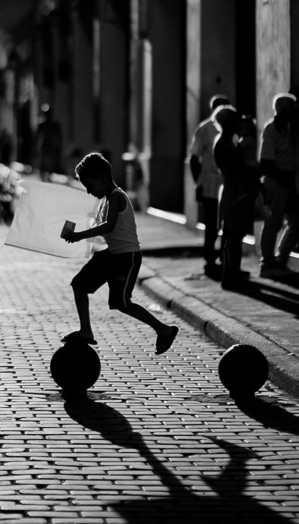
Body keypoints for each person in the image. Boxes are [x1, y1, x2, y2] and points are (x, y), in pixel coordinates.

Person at [61, 152, 179, 353]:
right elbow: (99, 225)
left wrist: (79, 235)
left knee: (122, 303)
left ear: (103, 179)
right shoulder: (106, 199)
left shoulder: (116, 196)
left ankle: (164, 330)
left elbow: (109, 226)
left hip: (127, 258)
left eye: (89, 186)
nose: (89, 192)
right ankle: (86, 331)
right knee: (79, 285)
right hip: (112, 255)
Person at [258, 93, 299, 280]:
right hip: (276, 182)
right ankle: (268, 264)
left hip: (286, 182)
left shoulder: (284, 128)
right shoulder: (271, 130)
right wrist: (284, 177)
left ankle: (280, 261)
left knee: (298, 221)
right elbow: (266, 163)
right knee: (272, 223)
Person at [188, 94, 230, 279]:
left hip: (226, 182)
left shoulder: (231, 128)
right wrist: (199, 181)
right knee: (212, 223)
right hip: (210, 183)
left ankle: (225, 258)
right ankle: (210, 259)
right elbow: (194, 158)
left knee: (226, 222)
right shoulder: (204, 128)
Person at [212, 106, 253, 290]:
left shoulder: (226, 142)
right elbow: (240, 170)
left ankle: (231, 275)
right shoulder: (226, 144)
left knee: (233, 236)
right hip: (233, 192)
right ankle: (231, 277)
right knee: (233, 237)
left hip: (232, 190)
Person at [37, 106, 63, 181]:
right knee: (43, 164)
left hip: (51, 147)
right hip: (44, 147)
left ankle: (49, 177)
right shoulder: (42, 125)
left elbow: (59, 136)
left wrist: (58, 145)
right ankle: (43, 178)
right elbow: (38, 136)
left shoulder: (54, 125)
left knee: (51, 164)